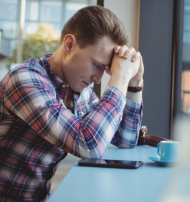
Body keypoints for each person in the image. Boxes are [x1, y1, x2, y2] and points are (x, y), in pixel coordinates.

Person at [0, 6, 143, 202]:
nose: (99, 79)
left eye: (106, 69)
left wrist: (134, 83)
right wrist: (119, 76)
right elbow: (88, 144)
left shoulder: (82, 94)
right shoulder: (24, 80)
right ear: (69, 45)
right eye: (97, 65)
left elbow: (125, 139)